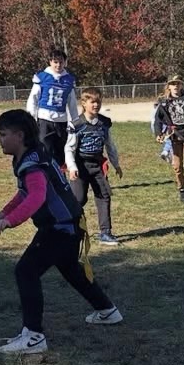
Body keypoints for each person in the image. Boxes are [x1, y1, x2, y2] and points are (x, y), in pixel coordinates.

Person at [0, 109, 122, 355]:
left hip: (60, 228)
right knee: (72, 271)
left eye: (3, 134)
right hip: (70, 224)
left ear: (19, 136)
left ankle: (34, 337)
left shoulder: (31, 163)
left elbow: (37, 197)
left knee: (25, 271)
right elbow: (25, 192)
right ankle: (107, 311)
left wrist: (10, 221)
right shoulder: (32, 155)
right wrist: (5, 210)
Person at [66, 87, 123, 246]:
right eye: (92, 102)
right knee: (78, 199)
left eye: (98, 101)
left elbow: (110, 145)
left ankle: (105, 233)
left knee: (104, 196)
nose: (96, 105)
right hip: (80, 166)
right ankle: (70, 230)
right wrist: (72, 167)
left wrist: (116, 164)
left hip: (97, 165)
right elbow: (69, 148)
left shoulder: (104, 123)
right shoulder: (76, 124)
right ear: (84, 103)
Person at [25, 47, 79, 167]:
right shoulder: (42, 77)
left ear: (65, 62)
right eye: (55, 62)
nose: (58, 65)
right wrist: (31, 119)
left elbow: (72, 102)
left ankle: (60, 180)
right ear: (50, 62)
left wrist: (75, 121)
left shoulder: (68, 80)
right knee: (45, 150)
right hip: (45, 120)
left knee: (61, 152)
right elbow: (33, 99)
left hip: (61, 121)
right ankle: (45, 178)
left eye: (61, 62)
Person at [154, 75, 184, 204]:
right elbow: (158, 120)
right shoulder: (164, 102)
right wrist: (159, 133)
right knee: (177, 166)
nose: (175, 86)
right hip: (175, 137)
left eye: (178, 84)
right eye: (173, 84)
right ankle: (182, 190)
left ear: (181, 85)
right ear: (169, 86)